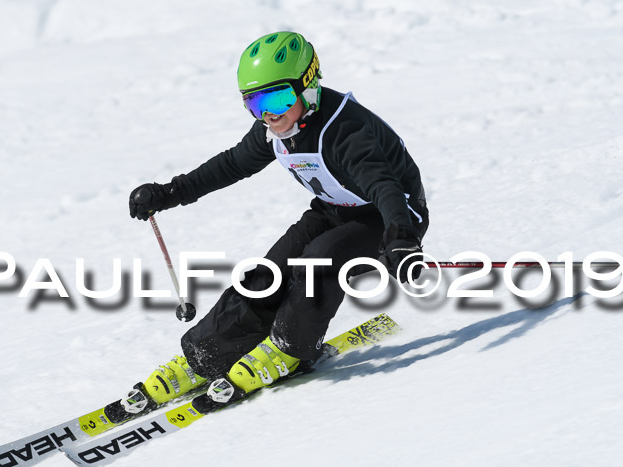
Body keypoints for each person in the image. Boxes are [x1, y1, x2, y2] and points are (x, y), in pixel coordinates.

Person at [128, 31, 428, 405]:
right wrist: (171, 193)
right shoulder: (273, 129)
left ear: (308, 86)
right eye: (255, 103)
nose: (269, 113)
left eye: (279, 98)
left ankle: (291, 347)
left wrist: (402, 236)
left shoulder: (344, 130)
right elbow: (232, 164)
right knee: (265, 273)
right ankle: (207, 354)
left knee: (317, 261)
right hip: (333, 209)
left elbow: (384, 186)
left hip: (389, 216)